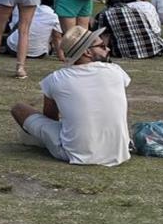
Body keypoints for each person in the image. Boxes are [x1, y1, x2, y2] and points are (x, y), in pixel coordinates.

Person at [9, 25, 131, 166]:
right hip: (119, 151)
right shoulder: (116, 71)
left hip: (74, 153)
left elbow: (50, 117)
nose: (108, 49)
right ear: (87, 52)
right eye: (102, 46)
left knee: (19, 108)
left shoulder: (56, 79)